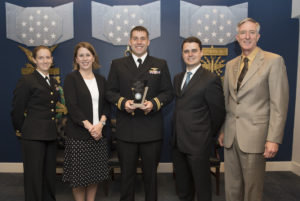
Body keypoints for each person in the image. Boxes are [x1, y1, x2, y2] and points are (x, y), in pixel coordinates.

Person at [218, 18, 289, 201]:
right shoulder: (231, 65)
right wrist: (223, 130)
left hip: (256, 137)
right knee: (232, 187)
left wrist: (273, 139)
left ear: (258, 36)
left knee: (252, 190)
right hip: (231, 136)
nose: (247, 36)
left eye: (251, 33)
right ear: (237, 37)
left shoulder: (273, 61)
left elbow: (278, 104)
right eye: (243, 33)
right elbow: (228, 102)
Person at [106, 26, 173, 201]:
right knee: (127, 176)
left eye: (142, 38)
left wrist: (154, 103)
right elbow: (110, 92)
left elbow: (168, 93)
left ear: (148, 42)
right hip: (126, 130)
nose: (139, 42)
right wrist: (122, 103)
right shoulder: (117, 64)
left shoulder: (160, 64)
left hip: (151, 129)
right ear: (129, 41)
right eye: (135, 38)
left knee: (150, 177)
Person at [172, 36, 225, 201]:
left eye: (194, 50)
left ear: (201, 53)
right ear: (182, 54)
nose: (190, 54)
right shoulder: (178, 78)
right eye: (186, 51)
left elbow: (218, 113)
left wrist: (206, 135)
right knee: (183, 187)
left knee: (202, 188)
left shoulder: (211, 79)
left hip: (198, 144)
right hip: (178, 143)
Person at [62, 42, 110, 201]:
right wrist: (92, 128)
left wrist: (100, 125)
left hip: (99, 135)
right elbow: (73, 107)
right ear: (76, 59)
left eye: (87, 55)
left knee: (94, 177)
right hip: (79, 136)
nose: (84, 58)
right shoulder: (71, 78)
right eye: (81, 55)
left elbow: (107, 105)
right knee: (79, 180)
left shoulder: (101, 79)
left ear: (93, 57)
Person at [11, 45, 59, 201]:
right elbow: (17, 110)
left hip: (50, 135)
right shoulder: (27, 80)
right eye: (41, 57)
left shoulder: (51, 81)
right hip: (33, 137)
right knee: (34, 178)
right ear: (34, 60)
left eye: (47, 57)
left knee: (49, 176)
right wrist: (22, 129)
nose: (45, 61)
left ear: (52, 60)